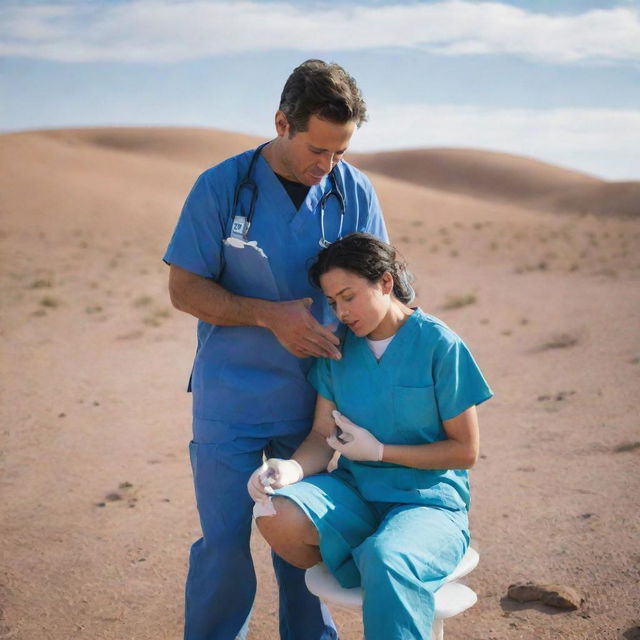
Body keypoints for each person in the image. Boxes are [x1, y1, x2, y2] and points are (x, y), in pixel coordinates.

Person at [164, 60, 387, 640]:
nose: (327, 166)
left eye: (340, 151)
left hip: (314, 405)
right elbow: (184, 289)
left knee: (299, 541)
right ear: (282, 123)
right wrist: (269, 315)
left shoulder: (352, 190)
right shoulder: (221, 186)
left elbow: (384, 291)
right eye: (318, 149)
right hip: (230, 398)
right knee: (223, 544)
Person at [248, 233, 493, 639]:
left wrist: (381, 451)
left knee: (387, 557)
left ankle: (388, 558)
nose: (341, 312)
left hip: (427, 504)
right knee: (274, 512)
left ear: (384, 282)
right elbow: (319, 434)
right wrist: (289, 468)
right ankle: (383, 559)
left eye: (349, 296)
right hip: (356, 495)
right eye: (332, 302)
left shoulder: (438, 345)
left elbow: (465, 451)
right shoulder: (339, 350)